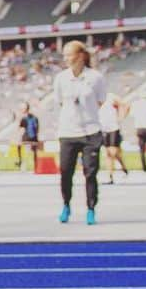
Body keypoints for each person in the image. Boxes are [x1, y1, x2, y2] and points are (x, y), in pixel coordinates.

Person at [52, 40, 107, 225]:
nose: (66, 59)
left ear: (81, 56)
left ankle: (91, 208)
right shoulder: (61, 78)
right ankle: (66, 204)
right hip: (68, 132)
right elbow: (60, 102)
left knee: (90, 173)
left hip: (90, 131)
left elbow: (100, 101)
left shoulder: (95, 77)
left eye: (70, 54)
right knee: (65, 172)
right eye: (65, 55)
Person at [99, 93, 129, 184]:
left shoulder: (110, 96)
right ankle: (123, 168)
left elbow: (126, 105)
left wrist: (121, 117)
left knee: (112, 153)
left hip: (113, 128)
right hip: (102, 127)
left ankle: (110, 176)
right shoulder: (95, 96)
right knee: (110, 153)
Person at [17, 102, 40, 171]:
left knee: (19, 146)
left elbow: (20, 129)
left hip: (27, 138)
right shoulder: (35, 117)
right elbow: (37, 129)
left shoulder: (24, 118)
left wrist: (19, 139)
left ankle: (21, 162)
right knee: (34, 151)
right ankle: (36, 166)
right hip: (34, 138)